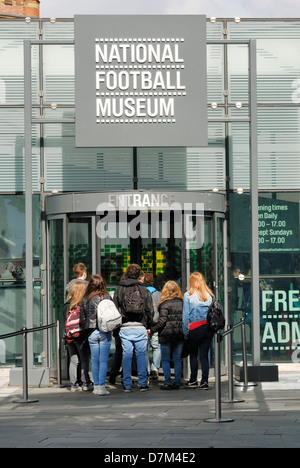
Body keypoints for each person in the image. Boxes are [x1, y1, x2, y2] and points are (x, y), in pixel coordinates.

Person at [113, 264, 153, 392]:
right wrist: (149, 324)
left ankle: (127, 384)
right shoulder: (143, 289)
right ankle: (142, 383)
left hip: (124, 327)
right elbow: (150, 310)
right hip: (140, 326)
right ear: (138, 274)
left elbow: (115, 308)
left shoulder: (120, 288)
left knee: (127, 355)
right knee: (141, 354)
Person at [149, 280, 184, 390]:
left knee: (165, 360)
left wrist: (152, 330)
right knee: (177, 359)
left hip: (166, 335)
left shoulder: (164, 304)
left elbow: (162, 320)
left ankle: (168, 382)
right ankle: (177, 382)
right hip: (179, 335)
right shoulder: (181, 302)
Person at [182, 272, 214, 389]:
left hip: (194, 328)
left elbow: (185, 316)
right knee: (204, 356)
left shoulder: (188, 295)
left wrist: (185, 332)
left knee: (193, 355)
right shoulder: (209, 295)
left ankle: (193, 379)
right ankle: (205, 381)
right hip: (207, 328)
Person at [82, 274, 112, 396]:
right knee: (103, 360)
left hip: (91, 331)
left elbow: (83, 317)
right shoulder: (107, 297)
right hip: (104, 330)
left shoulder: (86, 298)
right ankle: (102, 387)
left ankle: (96, 387)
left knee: (94, 360)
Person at [63, 281, 93, 392]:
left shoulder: (67, 305)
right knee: (84, 359)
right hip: (80, 336)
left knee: (74, 360)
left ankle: (74, 385)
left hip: (69, 336)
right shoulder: (82, 304)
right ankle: (85, 383)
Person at [143, 272, 161, 380]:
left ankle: (147, 370)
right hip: (155, 324)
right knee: (156, 347)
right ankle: (155, 368)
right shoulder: (158, 294)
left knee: (144, 348)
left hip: (144, 325)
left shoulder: (141, 293)